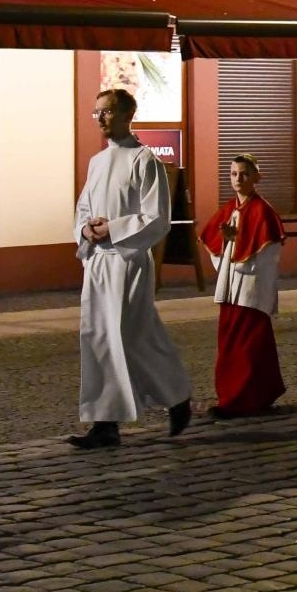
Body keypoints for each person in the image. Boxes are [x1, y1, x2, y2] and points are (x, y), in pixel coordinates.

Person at [68, 89, 193, 450]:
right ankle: (105, 423)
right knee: (98, 337)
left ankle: (177, 396)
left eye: (106, 112)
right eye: (97, 113)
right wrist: (87, 230)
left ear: (127, 114)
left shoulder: (145, 161)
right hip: (98, 262)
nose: (101, 119)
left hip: (128, 261)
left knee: (133, 334)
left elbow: (157, 218)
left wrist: (115, 228)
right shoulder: (96, 162)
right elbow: (83, 207)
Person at [199, 154, 285, 419]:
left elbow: (267, 256)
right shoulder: (229, 210)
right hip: (231, 287)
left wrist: (235, 245)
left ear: (257, 177)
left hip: (250, 290)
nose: (238, 179)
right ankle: (251, 394)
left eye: (245, 174)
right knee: (232, 344)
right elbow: (216, 247)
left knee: (247, 346)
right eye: (234, 174)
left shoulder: (263, 212)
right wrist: (228, 244)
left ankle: (240, 399)